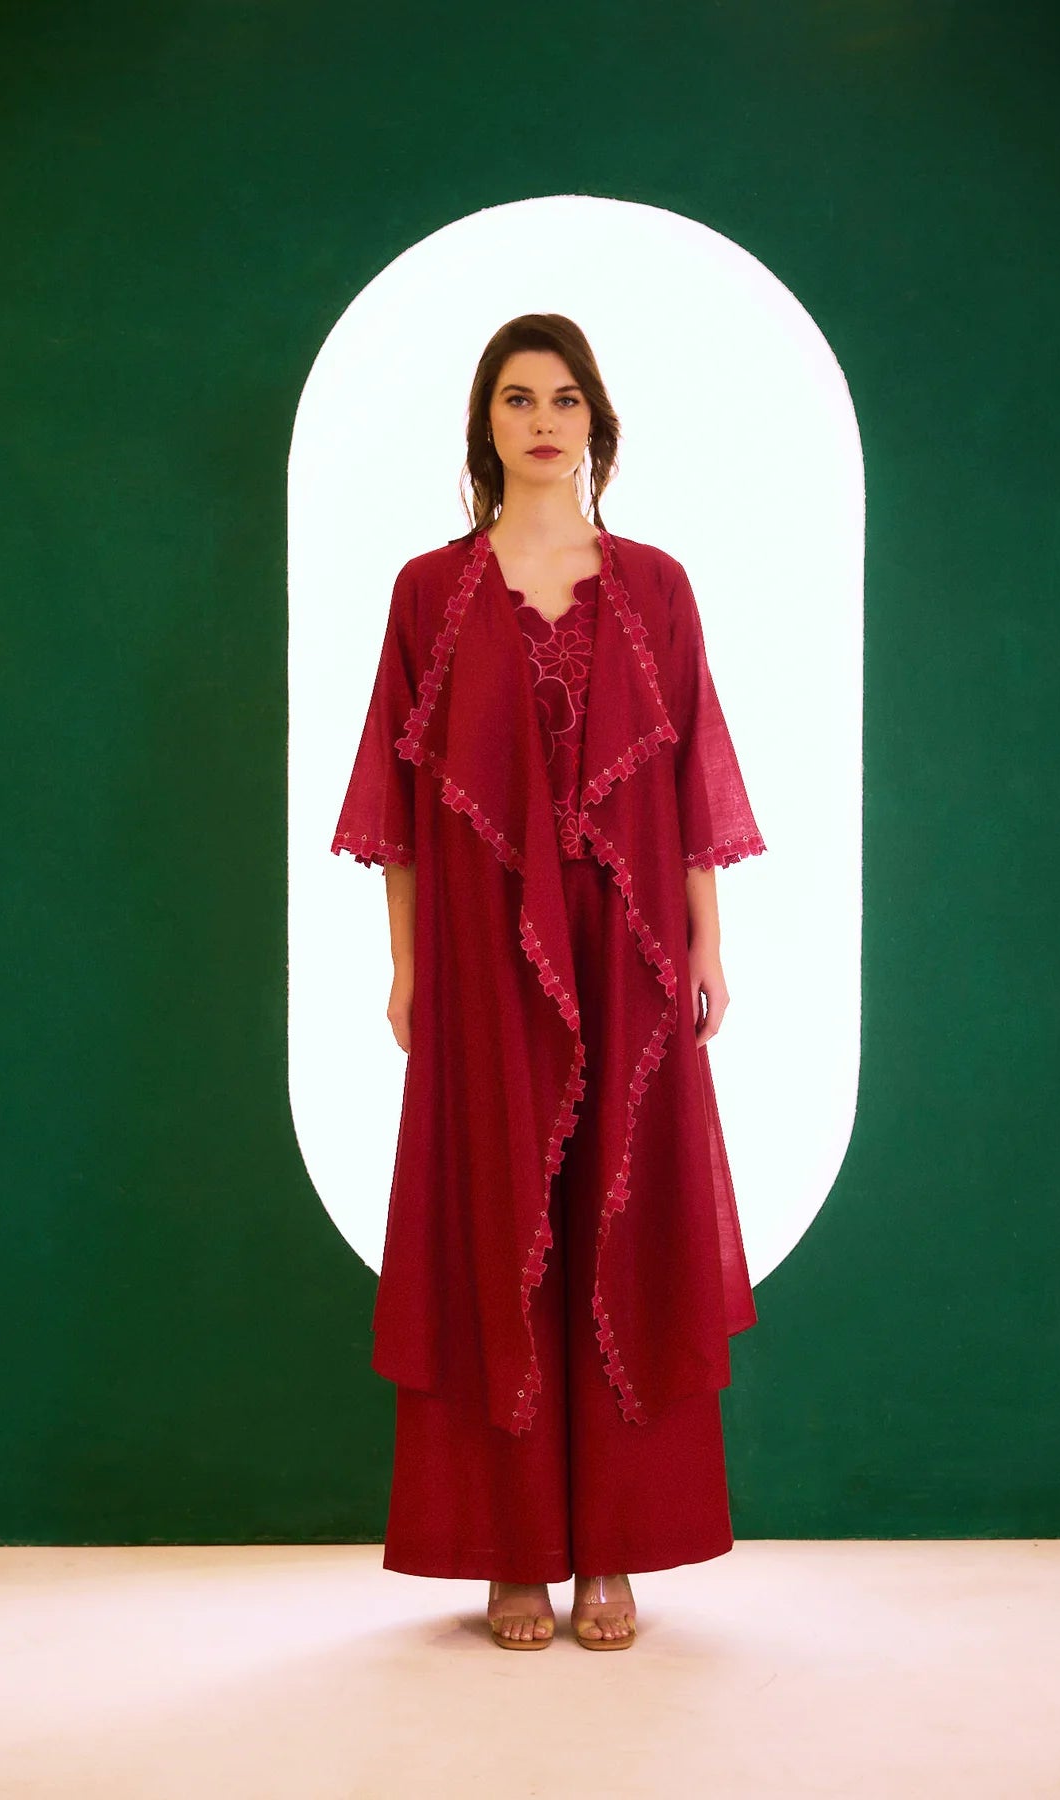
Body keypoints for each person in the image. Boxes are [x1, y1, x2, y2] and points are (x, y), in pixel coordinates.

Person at [331, 314, 767, 1650]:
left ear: (596, 424)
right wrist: (408, 965)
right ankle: (512, 1554)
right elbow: (401, 800)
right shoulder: (427, 591)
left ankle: (612, 1551)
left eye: (566, 399)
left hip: (629, 947)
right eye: (518, 398)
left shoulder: (658, 586)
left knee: (623, 1225)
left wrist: (706, 941)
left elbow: (689, 777)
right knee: (496, 1220)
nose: (542, 420)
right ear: (487, 424)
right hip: (482, 950)